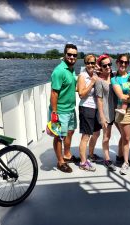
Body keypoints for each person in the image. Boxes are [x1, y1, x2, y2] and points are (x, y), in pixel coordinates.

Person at [48, 43, 79, 173]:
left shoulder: (71, 70)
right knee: (59, 136)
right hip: (60, 111)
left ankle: (67, 154)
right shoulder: (59, 71)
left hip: (71, 109)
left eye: (74, 55)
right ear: (64, 55)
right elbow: (54, 93)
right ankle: (60, 162)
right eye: (69, 54)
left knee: (70, 132)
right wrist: (54, 113)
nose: (72, 57)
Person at [77, 54, 102, 172]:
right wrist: (91, 82)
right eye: (88, 63)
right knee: (86, 136)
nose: (91, 65)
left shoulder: (96, 74)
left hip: (96, 108)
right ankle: (83, 162)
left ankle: (91, 155)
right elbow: (81, 94)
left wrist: (98, 72)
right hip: (86, 108)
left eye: (93, 62)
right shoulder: (83, 76)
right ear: (85, 64)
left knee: (96, 133)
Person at [95, 54, 118, 171]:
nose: (108, 67)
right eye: (105, 65)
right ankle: (107, 159)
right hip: (106, 112)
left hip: (116, 110)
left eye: (109, 64)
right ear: (101, 67)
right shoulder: (99, 80)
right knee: (106, 137)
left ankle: (120, 155)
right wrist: (102, 117)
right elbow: (99, 99)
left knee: (125, 134)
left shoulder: (114, 76)